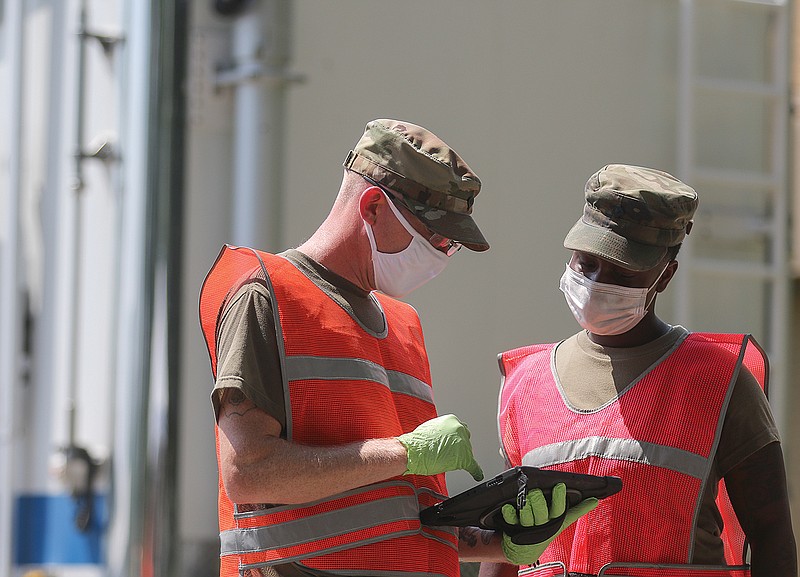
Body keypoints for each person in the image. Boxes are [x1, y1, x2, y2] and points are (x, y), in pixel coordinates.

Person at [198, 119, 597, 577]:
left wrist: (503, 545)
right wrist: (405, 453)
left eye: (450, 245)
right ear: (372, 207)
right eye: (436, 238)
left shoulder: (402, 325)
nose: (442, 254)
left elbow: (397, 514)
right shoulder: (265, 295)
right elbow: (248, 473)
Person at [483, 164, 797, 577]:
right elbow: (506, 544)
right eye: (587, 263)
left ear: (664, 276)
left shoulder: (718, 382)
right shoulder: (527, 383)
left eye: (622, 272)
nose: (597, 282)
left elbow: (771, 532)